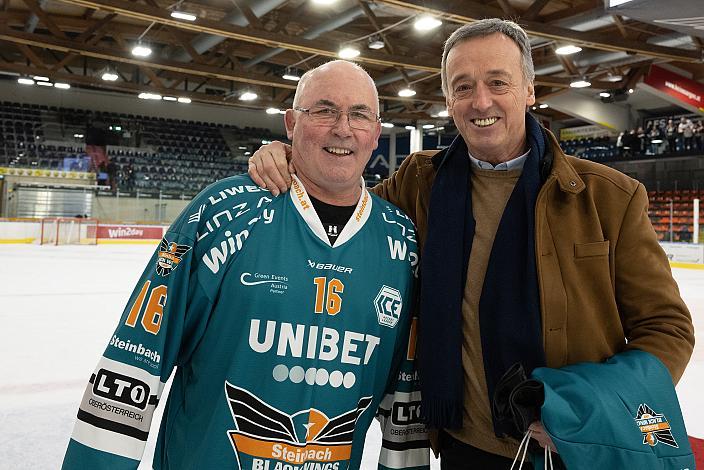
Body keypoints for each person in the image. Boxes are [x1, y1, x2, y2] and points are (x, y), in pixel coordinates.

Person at [248, 19, 695, 470]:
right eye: (463, 87)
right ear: (448, 100)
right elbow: (339, 202)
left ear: (529, 90)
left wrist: (589, 409)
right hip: (464, 447)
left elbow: (667, 328)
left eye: (498, 82)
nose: (481, 101)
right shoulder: (421, 182)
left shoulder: (607, 197)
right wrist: (291, 156)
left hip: (573, 449)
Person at [62, 60, 428, 470]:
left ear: (376, 133)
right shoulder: (224, 211)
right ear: (291, 123)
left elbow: (405, 398)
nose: (343, 128)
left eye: (359, 114)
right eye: (324, 111)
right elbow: (135, 358)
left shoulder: (401, 239)